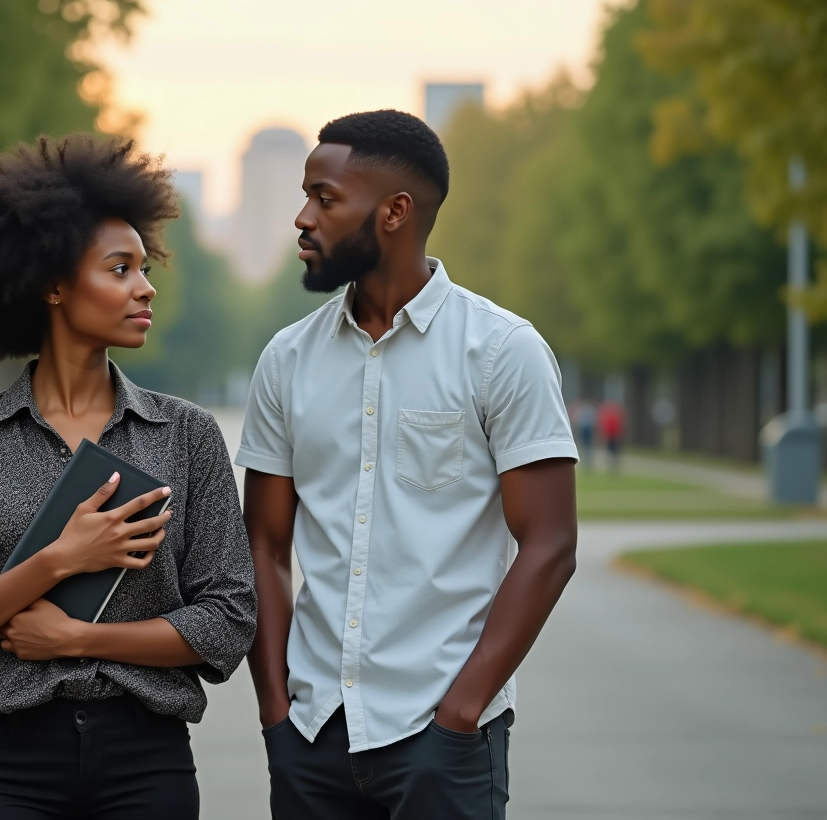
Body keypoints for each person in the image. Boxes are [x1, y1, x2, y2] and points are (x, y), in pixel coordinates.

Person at [0, 134, 257, 820]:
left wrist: (80, 640)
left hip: (146, 758)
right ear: (53, 285)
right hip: (1, 762)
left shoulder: (186, 435)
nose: (145, 287)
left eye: (145, 269)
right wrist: (61, 560)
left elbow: (227, 620)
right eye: (119, 269)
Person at [237, 110, 578, 820]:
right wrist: (275, 709)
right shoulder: (286, 360)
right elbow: (264, 545)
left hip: (442, 739)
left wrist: (460, 712)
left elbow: (549, 545)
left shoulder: (502, 352)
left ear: (395, 213)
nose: (303, 218)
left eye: (325, 198)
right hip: (311, 735)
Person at [598, 399, 625, 473]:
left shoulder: (613, 416)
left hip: (614, 436)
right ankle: (612, 466)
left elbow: (618, 426)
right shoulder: (613, 416)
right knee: (611, 451)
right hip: (611, 436)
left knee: (614, 451)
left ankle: (614, 466)